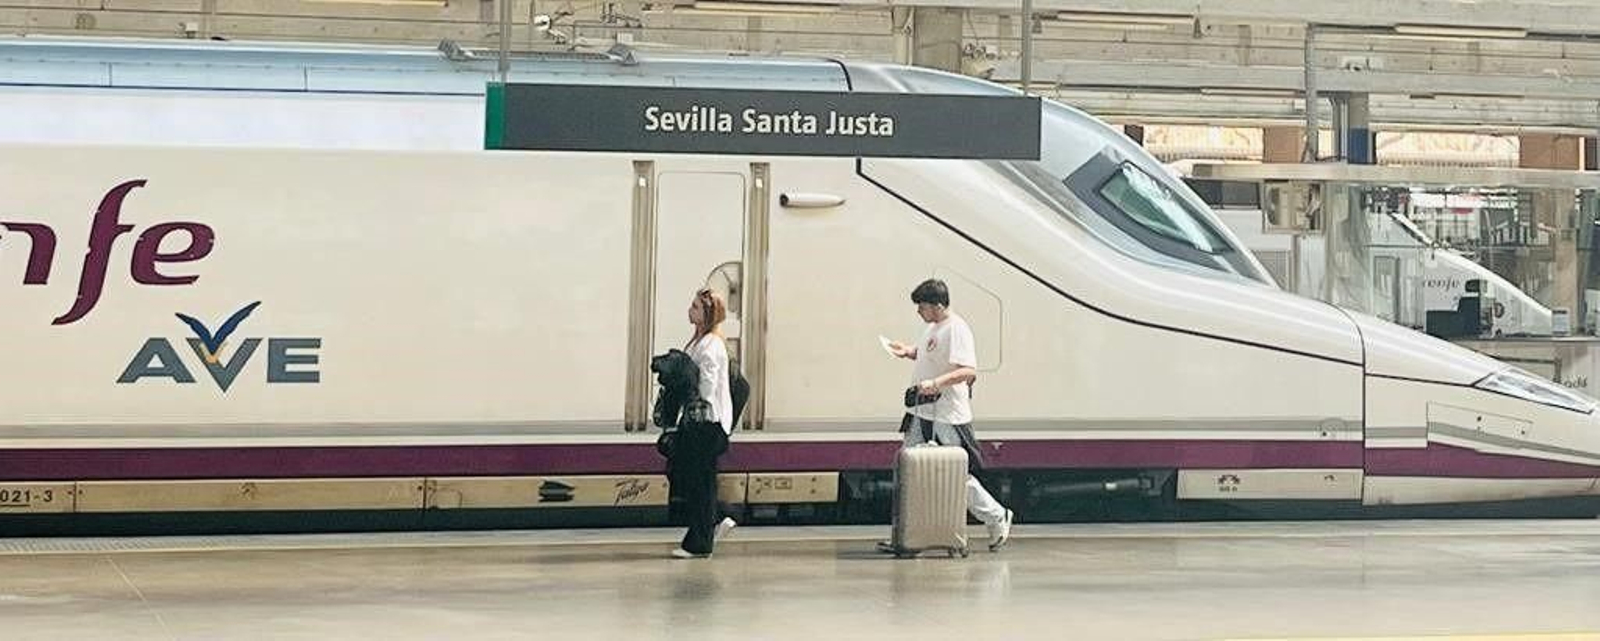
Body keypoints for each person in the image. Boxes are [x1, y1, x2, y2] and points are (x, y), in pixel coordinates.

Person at [887, 278, 1013, 551]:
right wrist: (909, 352)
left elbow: (968, 370)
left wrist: (934, 384)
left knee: (952, 475)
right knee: (909, 469)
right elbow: (931, 355)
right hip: (921, 411)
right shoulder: (934, 328)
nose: (918, 312)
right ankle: (908, 535)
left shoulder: (957, 329)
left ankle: (996, 515)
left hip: (947, 415)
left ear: (938, 305)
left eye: (922, 306)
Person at [669, 288, 738, 559]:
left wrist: (697, 401)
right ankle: (714, 523)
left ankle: (702, 538)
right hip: (703, 422)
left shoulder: (710, 345)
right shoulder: (703, 341)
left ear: (707, 314)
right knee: (698, 479)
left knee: (698, 480)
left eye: (696, 307)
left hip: (706, 423)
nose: (690, 310)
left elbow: (707, 383)